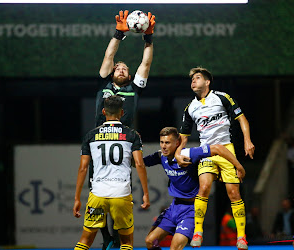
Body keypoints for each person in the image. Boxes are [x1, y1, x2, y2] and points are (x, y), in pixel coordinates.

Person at [92, 10, 155, 249]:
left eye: (124, 68)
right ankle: (107, 238)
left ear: (129, 76)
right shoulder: (103, 82)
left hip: (124, 143)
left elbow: (146, 62)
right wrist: (119, 34)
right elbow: (109, 55)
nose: (119, 69)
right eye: (117, 67)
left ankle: (117, 239)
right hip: (99, 142)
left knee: (119, 197)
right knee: (96, 199)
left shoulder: (134, 89)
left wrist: (148, 38)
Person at [175, 67, 255, 249]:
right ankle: (198, 232)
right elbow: (184, 136)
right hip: (207, 151)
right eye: (192, 79)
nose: (193, 81)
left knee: (233, 193)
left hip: (226, 149)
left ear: (207, 82)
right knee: (203, 188)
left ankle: (241, 237)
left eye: (197, 78)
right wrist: (178, 153)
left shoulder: (222, 97)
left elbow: (242, 119)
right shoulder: (190, 108)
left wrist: (247, 141)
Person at [144, 127, 246, 250]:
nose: (164, 146)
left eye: (167, 143)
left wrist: (238, 166)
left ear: (177, 143)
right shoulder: (161, 156)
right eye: (162, 142)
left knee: (175, 247)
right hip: (174, 207)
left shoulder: (189, 154)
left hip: (191, 210)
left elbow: (218, 148)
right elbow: (137, 162)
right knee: (150, 241)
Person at [73, 95, 150, 250]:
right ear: (122, 113)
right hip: (121, 193)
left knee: (85, 240)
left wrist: (76, 198)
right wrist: (146, 193)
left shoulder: (91, 135)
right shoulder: (132, 135)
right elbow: (139, 164)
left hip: (98, 193)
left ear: (103, 111)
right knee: (126, 242)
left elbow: (83, 168)